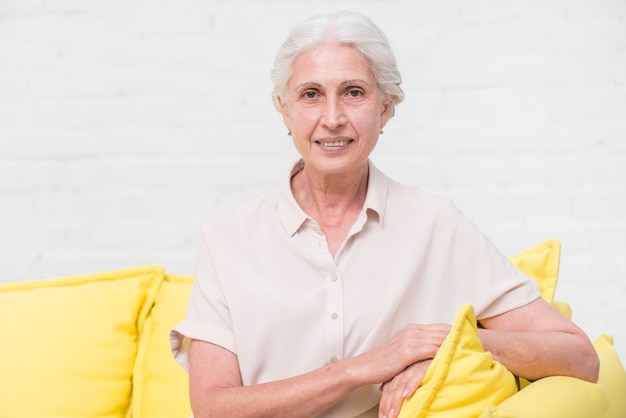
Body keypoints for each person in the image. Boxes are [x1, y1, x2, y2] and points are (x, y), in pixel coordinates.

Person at [170, 11, 599, 418]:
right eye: (311, 95)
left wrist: (448, 346)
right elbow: (213, 407)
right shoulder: (227, 235)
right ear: (284, 110)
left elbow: (580, 355)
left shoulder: (436, 225)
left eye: (354, 92)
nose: (333, 118)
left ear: (385, 108)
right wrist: (367, 366)